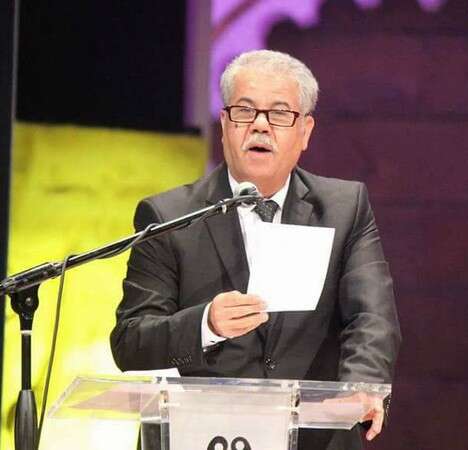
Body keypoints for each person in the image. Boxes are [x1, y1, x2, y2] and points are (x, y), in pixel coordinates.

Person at [110, 49, 401, 450]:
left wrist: (362, 384)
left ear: (305, 131)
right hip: (201, 435)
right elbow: (130, 341)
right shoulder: (168, 216)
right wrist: (205, 325)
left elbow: (371, 316)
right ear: (225, 125)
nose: (260, 126)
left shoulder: (343, 208)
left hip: (315, 438)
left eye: (280, 114)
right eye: (245, 111)